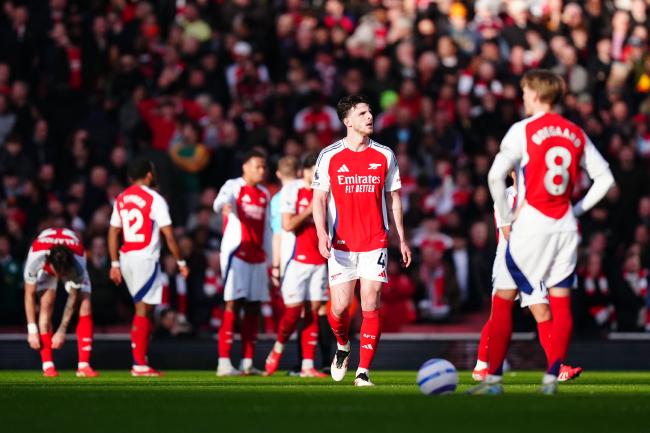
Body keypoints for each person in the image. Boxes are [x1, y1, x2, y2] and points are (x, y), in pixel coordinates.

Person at [470, 70, 614, 395]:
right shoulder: (575, 132)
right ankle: (550, 377)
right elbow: (605, 179)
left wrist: (508, 216)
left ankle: (493, 378)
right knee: (558, 304)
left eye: (524, 93)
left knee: (504, 303)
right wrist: (576, 210)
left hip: (530, 227)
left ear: (535, 94)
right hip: (563, 227)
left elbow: (494, 178)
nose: (522, 98)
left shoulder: (522, 131)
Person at [312, 95, 412, 387]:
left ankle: (363, 371)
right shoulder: (329, 155)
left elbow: (394, 199)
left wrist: (401, 238)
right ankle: (343, 345)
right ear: (347, 121)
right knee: (340, 308)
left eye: (370, 112)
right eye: (363, 113)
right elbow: (319, 199)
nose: (370, 117)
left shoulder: (384, 154)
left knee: (371, 301)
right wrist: (321, 233)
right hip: (341, 243)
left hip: (375, 241)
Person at [472, 172, 582, 382]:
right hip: (509, 262)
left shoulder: (539, 196)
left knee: (543, 312)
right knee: (498, 316)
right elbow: (507, 233)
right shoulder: (505, 196)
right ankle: (481, 365)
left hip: (533, 262)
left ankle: (557, 367)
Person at [108, 159, 189, 377]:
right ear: (149, 175)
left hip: (126, 258)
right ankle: (139, 364)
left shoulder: (121, 198)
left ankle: (141, 360)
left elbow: (113, 231)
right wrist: (181, 262)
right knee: (143, 310)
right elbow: (169, 234)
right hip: (145, 258)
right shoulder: (155, 199)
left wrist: (114, 263)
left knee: (145, 309)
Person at [265, 153, 328, 378]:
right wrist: (310, 210)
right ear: (304, 171)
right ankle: (278, 346)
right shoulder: (293, 190)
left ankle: (307, 366)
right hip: (295, 260)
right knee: (293, 312)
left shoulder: (326, 192)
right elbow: (287, 224)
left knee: (313, 312)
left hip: (320, 261)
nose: (316, 174)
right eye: (312, 169)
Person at [213, 150, 272, 376]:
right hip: (237, 254)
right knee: (233, 304)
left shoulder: (264, 193)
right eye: (257, 166)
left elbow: (266, 229)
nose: (261, 171)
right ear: (245, 167)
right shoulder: (234, 186)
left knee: (253, 307)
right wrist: (224, 206)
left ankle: (247, 362)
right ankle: (224, 362)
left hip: (258, 257)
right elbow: (219, 202)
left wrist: (270, 259)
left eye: (263, 167)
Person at [23, 228, 98, 377]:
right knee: (46, 304)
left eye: (62, 273)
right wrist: (32, 330)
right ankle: (48, 366)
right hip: (46, 263)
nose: (59, 276)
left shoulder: (78, 265)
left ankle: (84, 366)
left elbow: (73, 298)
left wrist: (62, 329)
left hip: (71, 259)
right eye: (57, 272)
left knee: (85, 304)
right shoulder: (35, 260)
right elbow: (29, 295)